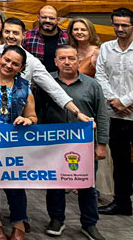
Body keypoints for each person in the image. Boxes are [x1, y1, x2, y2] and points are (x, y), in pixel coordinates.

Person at [40, 45, 110, 239]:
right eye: (62, 58)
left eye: (71, 58)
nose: (67, 62)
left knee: (87, 185)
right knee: (55, 184)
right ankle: (56, 219)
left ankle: (89, 224)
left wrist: (102, 143)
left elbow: (102, 115)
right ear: (55, 62)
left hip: (85, 146)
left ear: (79, 61)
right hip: (53, 144)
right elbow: (38, 112)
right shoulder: (47, 83)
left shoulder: (92, 85)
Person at [0, 17, 92, 122]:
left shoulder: (32, 61)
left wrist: (77, 112)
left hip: (16, 120)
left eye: (15, 33)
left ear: (24, 35)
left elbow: (53, 88)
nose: (10, 36)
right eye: (7, 32)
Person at [0, 45, 37, 240]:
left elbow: (32, 116)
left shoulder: (24, 87)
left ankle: (19, 222)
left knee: (15, 183)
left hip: (12, 143)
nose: (9, 65)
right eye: (7, 60)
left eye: (15, 64)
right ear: (0, 57)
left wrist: (28, 120)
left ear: (21, 68)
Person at [97, 8, 133, 216]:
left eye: (124, 25)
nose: (119, 29)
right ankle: (122, 202)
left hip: (131, 109)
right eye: (116, 24)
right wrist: (114, 101)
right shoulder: (106, 47)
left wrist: (126, 100)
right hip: (114, 114)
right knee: (119, 160)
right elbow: (100, 76)